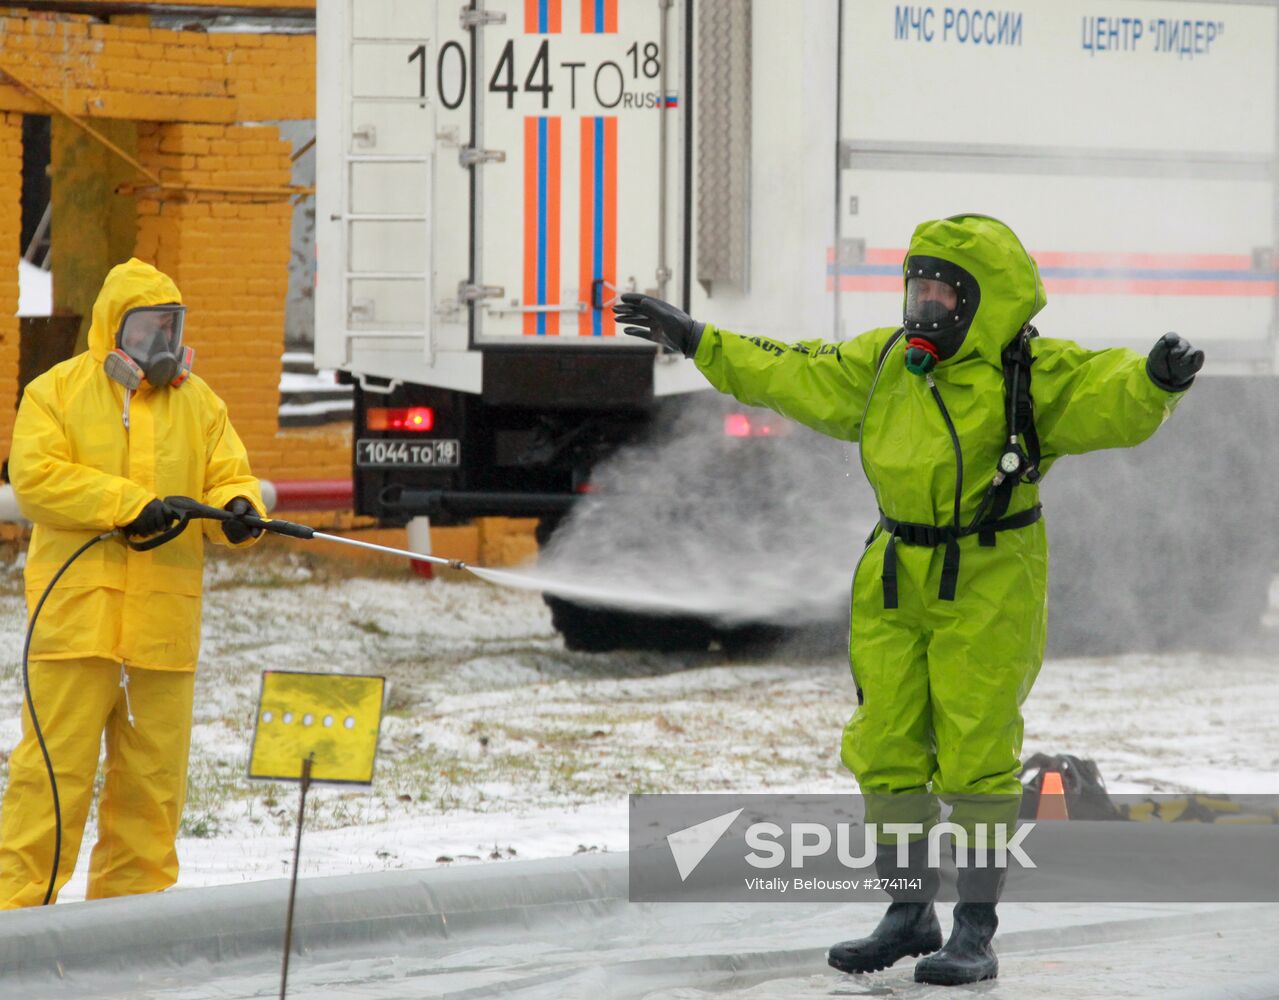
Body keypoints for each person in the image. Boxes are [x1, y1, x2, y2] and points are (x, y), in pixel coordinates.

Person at [613, 214, 1202, 986]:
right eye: (914, 289)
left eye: (939, 293)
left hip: (991, 576)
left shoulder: (1030, 372)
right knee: (884, 743)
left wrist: (1154, 381)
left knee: (974, 754)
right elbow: (790, 370)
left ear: (979, 303)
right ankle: (907, 911)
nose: (921, 307)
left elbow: (1105, 394)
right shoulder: (886, 363)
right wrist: (696, 339)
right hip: (894, 571)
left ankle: (974, 928)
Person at [0, 258, 265, 908]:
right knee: (53, 781)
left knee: (152, 787)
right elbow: (34, 477)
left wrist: (237, 507)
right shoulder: (55, 392)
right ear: (112, 329)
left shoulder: (198, 403)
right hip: (76, 629)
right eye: (147, 330)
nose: (161, 346)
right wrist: (126, 503)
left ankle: (130, 924)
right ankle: (15, 915)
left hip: (162, 634)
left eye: (170, 329)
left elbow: (228, 469)